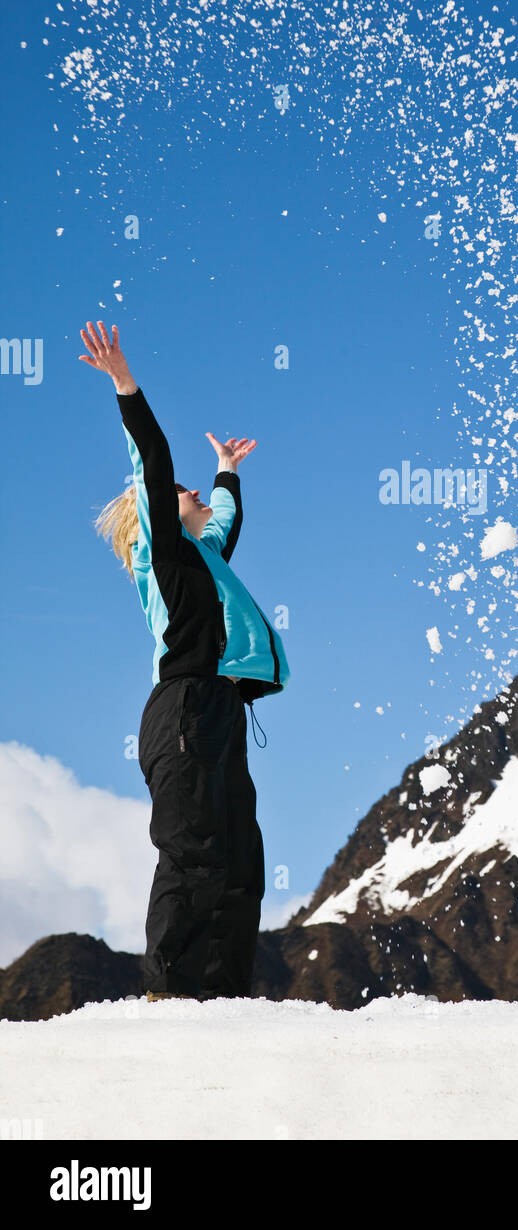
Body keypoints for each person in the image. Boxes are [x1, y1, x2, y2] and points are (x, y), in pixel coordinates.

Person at [80, 320, 290, 1002]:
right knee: (194, 851)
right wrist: (125, 385)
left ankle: (223, 1001)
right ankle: (167, 1000)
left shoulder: (201, 556)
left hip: (219, 715)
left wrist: (228, 470)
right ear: (157, 517)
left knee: (239, 863)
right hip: (185, 714)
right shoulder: (163, 556)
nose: (194, 494)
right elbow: (155, 462)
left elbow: (223, 523)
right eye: (186, 494)